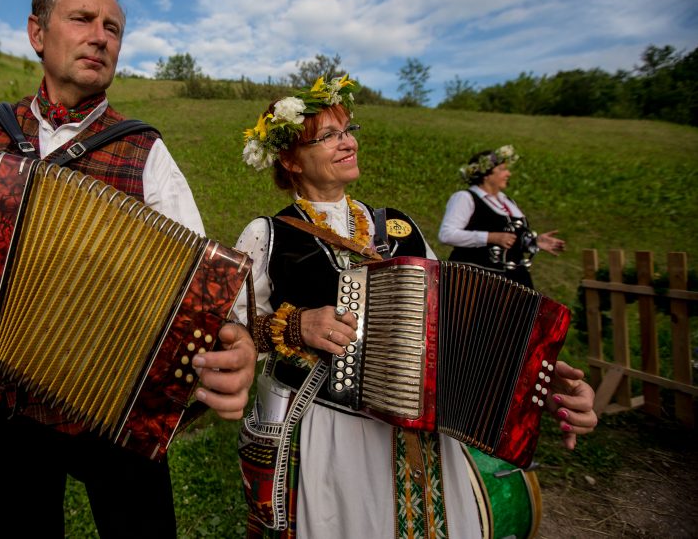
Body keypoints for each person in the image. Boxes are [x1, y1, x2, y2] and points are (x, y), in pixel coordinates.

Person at [0, 0, 255, 538]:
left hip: (111, 403)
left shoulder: (142, 149)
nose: (100, 36)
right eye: (82, 19)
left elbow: (203, 282)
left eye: (113, 28)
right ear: (37, 33)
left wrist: (236, 338)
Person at [232, 76, 597, 537]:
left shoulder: (399, 227)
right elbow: (231, 336)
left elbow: (449, 324)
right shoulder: (269, 235)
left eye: (348, 130)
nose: (347, 143)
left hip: (421, 437)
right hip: (331, 434)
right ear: (289, 158)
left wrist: (535, 379)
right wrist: (294, 327)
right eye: (328, 135)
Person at [438, 146, 566, 288]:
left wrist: (533, 242)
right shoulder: (465, 198)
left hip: (514, 280)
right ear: (486, 174)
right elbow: (447, 235)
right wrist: (490, 237)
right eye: (502, 169)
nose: (508, 174)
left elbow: (510, 238)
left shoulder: (507, 201)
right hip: (476, 280)